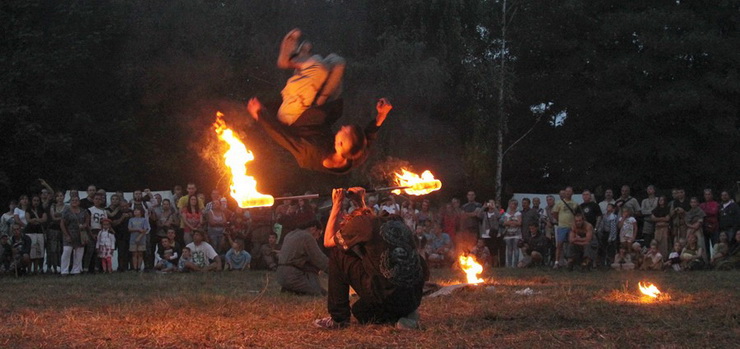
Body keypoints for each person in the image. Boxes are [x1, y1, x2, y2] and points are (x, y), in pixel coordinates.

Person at [315, 187, 427, 330]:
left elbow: (328, 241)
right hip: (412, 298)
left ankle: (338, 319)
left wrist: (337, 203)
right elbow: (367, 218)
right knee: (360, 311)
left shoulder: (359, 223)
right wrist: (361, 202)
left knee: (338, 252)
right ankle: (402, 318)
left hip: (387, 296)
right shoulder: (395, 220)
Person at [248, 95, 392, 175]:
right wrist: (382, 115)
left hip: (300, 127)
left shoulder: (309, 151)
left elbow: (282, 136)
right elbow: (368, 136)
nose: (341, 127)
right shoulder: (357, 155)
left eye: (343, 131)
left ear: (340, 144)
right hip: (320, 128)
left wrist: (260, 114)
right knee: (336, 105)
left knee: (310, 109)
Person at [275, 28, 346, 125]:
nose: (343, 129)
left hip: (294, 110)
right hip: (310, 104)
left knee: (319, 67)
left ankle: (293, 60)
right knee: (338, 62)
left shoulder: (287, 123)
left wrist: (261, 113)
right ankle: (299, 59)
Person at [277, 220, 328, 295]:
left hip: (280, 274)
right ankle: (294, 290)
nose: (317, 238)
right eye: (319, 234)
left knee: (322, 290)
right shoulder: (307, 237)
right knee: (317, 293)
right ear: (314, 228)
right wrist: (335, 269)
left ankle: (290, 289)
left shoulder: (290, 234)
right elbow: (320, 259)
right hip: (293, 274)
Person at [552, 187, 580, 268]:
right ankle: (557, 262)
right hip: (562, 227)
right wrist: (560, 220)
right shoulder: (559, 203)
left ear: (572, 193)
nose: (568, 193)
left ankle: (570, 262)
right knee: (559, 244)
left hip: (572, 227)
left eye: (569, 191)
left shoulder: (575, 203)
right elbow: (554, 213)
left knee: (572, 244)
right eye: (566, 191)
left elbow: (577, 214)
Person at [60, 197, 88, 275]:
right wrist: (66, 235)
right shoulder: (66, 211)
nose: (74, 202)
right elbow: (62, 224)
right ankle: (64, 270)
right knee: (67, 251)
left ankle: (76, 270)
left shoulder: (83, 211)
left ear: (79, 202)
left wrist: (84, 225)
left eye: (76, 200)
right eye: (73, 200)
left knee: (79, 253)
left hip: (80, 234)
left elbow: (87, 220)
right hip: (69, 233)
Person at [108, 196, 132, 271]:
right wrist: (122, 218)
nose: (124, 207)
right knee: (121, 252)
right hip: (120, 235)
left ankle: (131, 267)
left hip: (131, 235)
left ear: (128, 205)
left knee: (130, 252)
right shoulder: (116, 213)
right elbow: (114, 223)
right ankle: (121, 267)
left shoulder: (133, 212)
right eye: (122, 206)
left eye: (125, 206)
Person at [25, 195, 47, 274]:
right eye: (34, 200)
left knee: (38, 251)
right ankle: (29, 269)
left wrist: (35, 219)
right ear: (32, 201)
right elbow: (28, 220)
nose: (36, 202)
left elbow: (44, 219)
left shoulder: (42, 209)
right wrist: (37, 220)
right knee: (31, 251)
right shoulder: (28, 210)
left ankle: (36, 270)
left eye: (37, 200)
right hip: (30, 232)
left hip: (39, 232)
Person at [86, 193, 107, 273]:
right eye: (96, 199)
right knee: (90, 250)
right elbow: (87, 222)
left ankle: (97, 268)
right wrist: (91, 233)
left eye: (99, 199)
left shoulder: (104, 211)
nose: (98, 201)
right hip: (92, 230)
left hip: (101, 231)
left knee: (99, 251)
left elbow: (105, 223)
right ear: (93, 200)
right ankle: (86, 268)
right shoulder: (90, 210)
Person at [46, 192, 66, 274]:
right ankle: (53, 267)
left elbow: (66, 218)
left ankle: (62, 266)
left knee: (62, 249)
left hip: (63, 230)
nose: (60, 198)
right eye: (58, 196)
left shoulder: (67, 207)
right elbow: (53, 218)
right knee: (53, 250)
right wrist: (62, 217)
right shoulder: (53, 206)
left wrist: (59, 217)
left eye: (61, 196)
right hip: (53, 230)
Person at [595, 203, 619, 267]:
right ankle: (601, 261)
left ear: (613, 209)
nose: (608, 207)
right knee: (603, 247)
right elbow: (602, 225)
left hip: (610, 234)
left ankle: (610, 261)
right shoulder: (604, 216)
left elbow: (613, 228)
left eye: (610, 207)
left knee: (610, 248)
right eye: (607, 206)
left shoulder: (613, 216)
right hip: (604, 233)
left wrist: (611, 237)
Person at [500, 199, 522, 268]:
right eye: (511, 204)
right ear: (509, 205)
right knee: (509, 249)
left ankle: (515, 265)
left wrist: (510, 222)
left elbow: (519, 223)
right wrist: (513, 222)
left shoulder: (518, 214)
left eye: (514, 204)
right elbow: (505, 223)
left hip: (516, 234)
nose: (513, 206)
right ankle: (509, 265)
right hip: (508, 234)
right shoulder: (506, 214)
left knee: (516, 248)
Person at [128, 208, 150, 272]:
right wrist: (137, 229)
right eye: (135, 211)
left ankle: (139, 267)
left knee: (140, 253)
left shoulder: (144, 220)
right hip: (133, 238)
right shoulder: (131, 219)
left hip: (142, 239)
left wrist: (139, 237)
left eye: (137, 210)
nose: (136, 212)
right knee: (134, 253)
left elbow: (145, 229)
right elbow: (129, 228)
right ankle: (135, 268)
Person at [478, 200, 499, 266]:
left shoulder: (495, 213)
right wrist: (483, 207)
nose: (490, 204)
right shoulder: (485, 213)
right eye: (489, 203)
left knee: (494, 250)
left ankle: (495, 264)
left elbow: (499, 216)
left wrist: (494, 208)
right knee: (486, 249)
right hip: (485, 234)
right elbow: (478, 215)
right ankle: (487, 263)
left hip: (494, 234)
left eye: (492, 203)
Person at [700, 189, 719, 259]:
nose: (707, 196)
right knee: (706, 246)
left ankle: (715, 260)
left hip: (714, 227)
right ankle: (707, 261)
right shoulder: (701, 205)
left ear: (712, 195)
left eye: (709, 194)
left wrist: (704, 212)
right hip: (705, 227)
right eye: (706, 194)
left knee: (715, 245)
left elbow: (714, 212)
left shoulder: (715, 204)